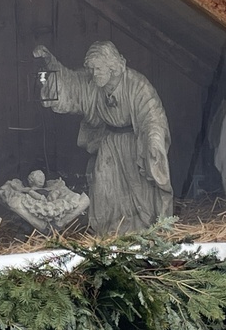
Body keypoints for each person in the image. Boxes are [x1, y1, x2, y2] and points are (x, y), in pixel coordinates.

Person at [33, 41, 172, 234]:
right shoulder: (93, 84)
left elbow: (153, 116)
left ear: (112, 68)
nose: (93, 73)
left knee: (139, 192)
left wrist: (154, 141)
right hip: (109, 144)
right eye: (91, 69)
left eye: (98, 69)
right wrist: (50, 62)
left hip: (134, 144)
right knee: (102, 187)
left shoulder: (137, 85)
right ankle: (109, 233)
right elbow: (71, 82)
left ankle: (143, 232)